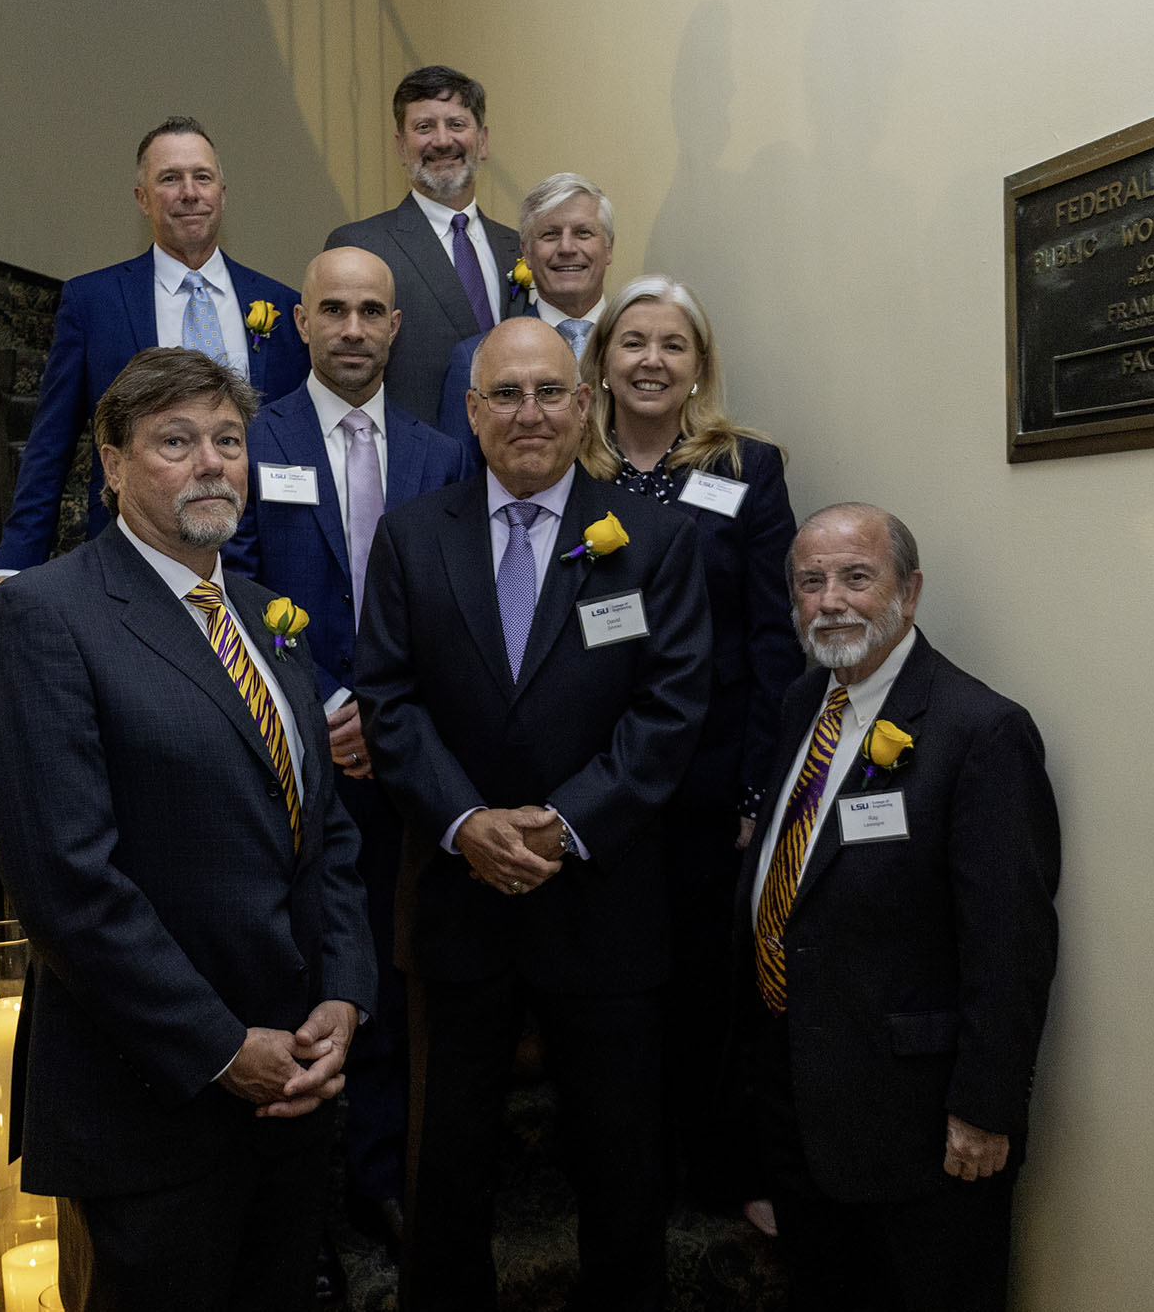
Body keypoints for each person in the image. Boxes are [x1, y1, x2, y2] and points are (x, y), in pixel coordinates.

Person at [0, 347, 377, 1311]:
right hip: (157, 1104)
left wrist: (346, 994)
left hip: (292, 1089)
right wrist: (220, 1047)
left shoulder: (266, 621)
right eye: (176, 441)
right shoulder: (43, 616)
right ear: (110, 463)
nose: (211, 463)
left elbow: (327, 832)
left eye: (229, 441)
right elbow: (70, 887)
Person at [357, 318, 711, 1311]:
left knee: (620, 1163)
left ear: (584, 403)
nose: (529, 413)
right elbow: (386, 704)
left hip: (601, 902)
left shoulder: (656, 541)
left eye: (549, 391)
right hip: (456, 904)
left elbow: (670, 709)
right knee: (446, 1166)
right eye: (504, 394)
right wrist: (465, 823)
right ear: (469, 414)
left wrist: (564, 823)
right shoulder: (410, 536)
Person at [739, 502, 1060, 1310]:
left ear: (909, 593)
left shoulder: (980, 731)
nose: (832, 600)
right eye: (810, 583)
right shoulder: (800, 706)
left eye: (856, 576)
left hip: (921, 1129)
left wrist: (985, 1110)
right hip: (803, 1102)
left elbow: (1010, 942)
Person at [222, 245, 466, 1256]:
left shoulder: (439, 452)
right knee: (293, 969)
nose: (355, 329)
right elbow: (230, 573)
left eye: (373, 311)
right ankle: (293, 1198)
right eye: (336, 310)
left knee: (391, 975)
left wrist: (390, 710)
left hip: (403, 759)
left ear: (396, 327)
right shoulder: (249, 437)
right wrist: (321, 697)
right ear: (302, 324)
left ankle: (377, 1176)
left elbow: (456, 595)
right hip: (290, 745)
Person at [575, 274, 803, 1201]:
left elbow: (774, 639)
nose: (652, 360)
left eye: (674, 344)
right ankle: (624, 1165)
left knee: (709, 981)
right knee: (614, 981)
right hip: (600, 769)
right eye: (634, 342)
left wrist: (758, 788)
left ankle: (709, 1164)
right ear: (602, 362)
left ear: (699, 363)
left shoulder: (747, 467)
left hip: (712, 777)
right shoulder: (568, 468)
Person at [0, 116, 309, 625]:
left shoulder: (280, 305)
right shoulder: (93, 302)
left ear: (223, 191)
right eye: (170, 179)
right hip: (134, 560)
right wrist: (13, 564)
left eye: (202, 177)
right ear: (142, 197)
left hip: (261, 564)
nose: (189, 193)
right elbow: (50, 446)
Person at [325, 66, 521, 424]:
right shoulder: (361, 246)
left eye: (457, 125)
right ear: (401, 145)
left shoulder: (521, 249)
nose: (442, 141)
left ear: (483, 141)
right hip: (420, 468)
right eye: (424, 127)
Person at [435, 172, 615, 465]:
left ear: (608, 247)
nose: (567, 248)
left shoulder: (642, 354)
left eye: (583, 233)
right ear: (526, 253)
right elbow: (460, 482)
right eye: (549, 235)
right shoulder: (474, 358)